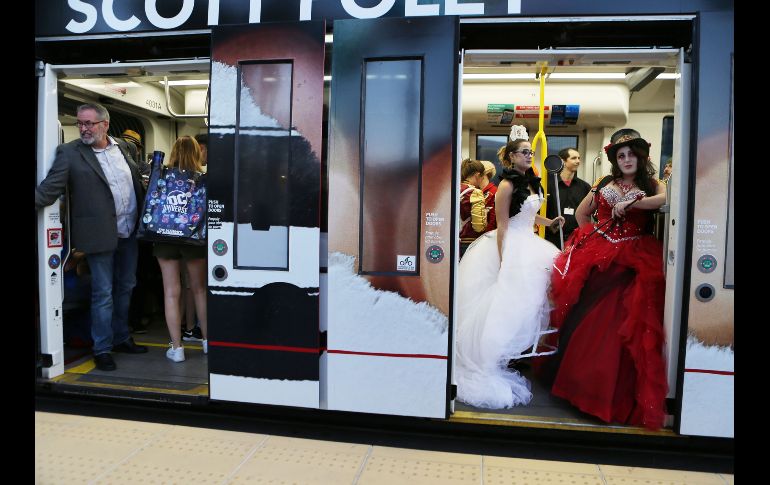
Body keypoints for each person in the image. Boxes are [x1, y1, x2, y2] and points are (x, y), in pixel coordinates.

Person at [545, 128, 668, 430]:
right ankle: (579, 387)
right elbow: (583, 215)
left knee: (620, 322)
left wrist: (632, 203)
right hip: (601, 253)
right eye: (621, 155)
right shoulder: (603, 182)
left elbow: (665, 200)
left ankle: (608, 396)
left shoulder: (653, 183)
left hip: (635, 257)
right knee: (584, 317)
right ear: (616, 159)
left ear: (641, 156)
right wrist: (591, 236)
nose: (627, 160)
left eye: (631, 154)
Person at [35, 103, 148, 371]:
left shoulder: (124, 147)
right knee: (103, 293)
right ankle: (102, 348)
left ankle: (121, 337)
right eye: (80, 123)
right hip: (98, 235)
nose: (83, 129)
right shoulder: (69, 153)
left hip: (130, 230)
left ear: (105, 124)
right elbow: (50, 189)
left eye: (89, 123)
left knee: (126, 287)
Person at [454, 138, 564, 408]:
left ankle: (516, 353)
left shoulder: (529, 181)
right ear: (511, 157)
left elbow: (525, 213)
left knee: (529, 303)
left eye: (531, 152)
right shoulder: (506, 184)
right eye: (525, 152)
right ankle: (489, 357)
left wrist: (548, 222)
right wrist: (504, 261)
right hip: (510, 244)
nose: (530, 155)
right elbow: (503, 224)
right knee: (503, 306)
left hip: (529, 241)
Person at [154, 136, 209, 362]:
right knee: (199, 290)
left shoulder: (161, 177)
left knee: (171, 292)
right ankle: (207, 342)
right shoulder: (203, 179)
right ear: (197, 153)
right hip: (193, 237)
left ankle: (177, 349)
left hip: (165, 237)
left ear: (174, 152)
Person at [545, 147, 592, 249]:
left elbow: (590, 212)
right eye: (574, 158)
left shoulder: (585, 187)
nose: (578, 161)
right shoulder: (549, 185)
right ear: (563, 161)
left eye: (579, 158)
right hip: (553, 238)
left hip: (577, 238)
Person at [459, 158, 487, 258]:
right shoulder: (475, 192)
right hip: (469, 242)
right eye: (482, 177)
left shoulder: (451, 188)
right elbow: (478, 226)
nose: (482, 181)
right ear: (477, 175)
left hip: (451, 241)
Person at [480, 160, 497, 232]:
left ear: (483, 174)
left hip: (487, 235)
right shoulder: (474, 191)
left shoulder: (495, 192)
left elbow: (494, 219)